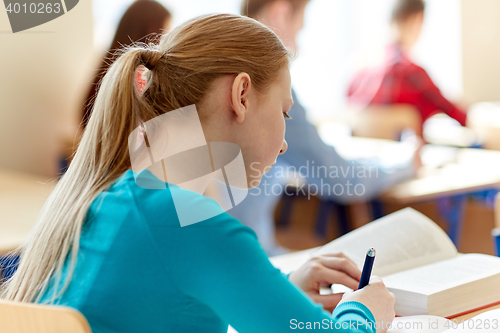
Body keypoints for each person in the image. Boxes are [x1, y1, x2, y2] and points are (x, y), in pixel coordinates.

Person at [0, 14, 395, 333]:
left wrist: (280, 295)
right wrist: (362, 315)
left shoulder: (112, 200)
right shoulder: (191, 223)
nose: (284, 143)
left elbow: (167, 301)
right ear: (241, 95)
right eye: (284, 112)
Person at [226, 0, 417, 255]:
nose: (299, 43)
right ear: (280, 12)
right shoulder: (263, 86)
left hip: (220, 257)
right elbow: (342, 179)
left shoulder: (216, 72)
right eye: (300, 28)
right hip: (243, 258)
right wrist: (406, 162)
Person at [347, 0, 467, 129]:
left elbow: (348, 106)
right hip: (409, 147)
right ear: (416, 20)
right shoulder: (412, 74)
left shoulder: (360, 72)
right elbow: (455, 114)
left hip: (367, 148)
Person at [81, 0, 172, 131]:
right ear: (150, 33)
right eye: (164, 33)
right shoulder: (140, 84)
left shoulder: (102, 76)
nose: (165, 43)